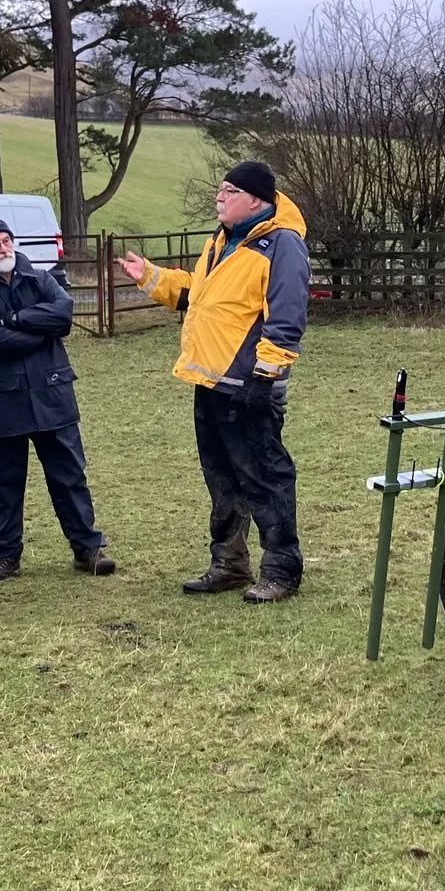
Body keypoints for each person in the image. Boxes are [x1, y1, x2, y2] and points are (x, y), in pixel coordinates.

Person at [118, 160, 308, 603]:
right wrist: (151, 276)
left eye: (227, 191)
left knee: (264, 476)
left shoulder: (282, 246)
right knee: (221, 478)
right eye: (219, 191)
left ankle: (281, 569)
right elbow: (198, 295)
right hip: (210, 383)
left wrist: (266, 376)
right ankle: (229, 564)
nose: (218, 198)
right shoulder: (221, 243)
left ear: (255, 200)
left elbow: (286, 317)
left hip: (249, 385)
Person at [0, 214, 116, 582]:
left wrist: (13, 320)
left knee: (69, 476)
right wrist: (39, 334)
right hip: (1, 399)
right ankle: (4, 556)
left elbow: (63, 314)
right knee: (3, 484)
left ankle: (87, 548)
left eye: (6, 240)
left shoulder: (40, 277)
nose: (3, 248)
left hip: (51, 390)